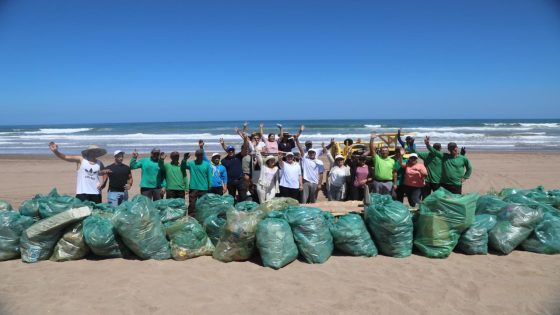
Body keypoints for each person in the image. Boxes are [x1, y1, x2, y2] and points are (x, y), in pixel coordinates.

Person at [219, 131, 249, 202]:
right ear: (227, 151)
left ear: (234, 151)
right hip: (230, 182)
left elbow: (245, 148)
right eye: (229, 151)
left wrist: (245, 140)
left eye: (232, 150)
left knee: (243, 197)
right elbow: (222, 172)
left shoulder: (238, 156)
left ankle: (243, 210)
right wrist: (224, 184)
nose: (231, 152)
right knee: (231, 198)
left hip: (240, 181)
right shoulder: (223, 160)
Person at [183, 148, 212, 215]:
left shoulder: (207, 164)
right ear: (196, 155)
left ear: (202, 155)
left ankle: (202, 217)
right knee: (192, 204)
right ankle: (191, 218)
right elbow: (183, 166)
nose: (199, 156)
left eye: (201, 155)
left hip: (204, 188)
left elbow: (209, 176)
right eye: (198, 155)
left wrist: (210, 185)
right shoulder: (191, 163)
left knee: (203, 205)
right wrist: (184, 159)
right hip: (193, 187)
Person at [296, 136, 324, 203]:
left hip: (315, 183)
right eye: (310, 153)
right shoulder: (305, 159)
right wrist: (296, 139)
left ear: (315, 154)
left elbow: (321, 174)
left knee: (313, 200)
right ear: (308, 154)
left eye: (313, 153)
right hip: (306, 182)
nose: (311, 154)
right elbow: (301, 149)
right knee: (304, 200)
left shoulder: (319, 162)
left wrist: (319, 184)